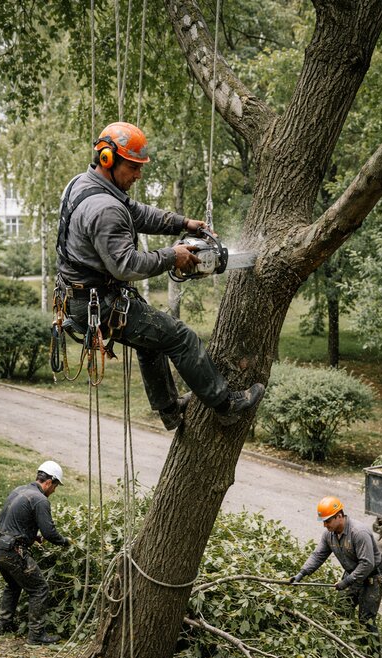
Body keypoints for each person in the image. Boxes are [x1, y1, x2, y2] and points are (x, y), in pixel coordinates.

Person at [56, 120, 264, 430]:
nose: (139, 175)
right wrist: (173, 256)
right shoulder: (104, 209)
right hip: (98, 305)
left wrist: (184, 224)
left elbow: (135, 212)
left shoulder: (83, 184)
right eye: (133, 167)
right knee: (181, 338)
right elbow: (126, 265)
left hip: (82, 299)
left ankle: (169, 410)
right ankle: (226, 405)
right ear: (108, 160)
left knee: (151, 340)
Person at [289, 496, 382, 654]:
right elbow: (318, 556)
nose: (325, 525)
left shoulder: (358, 532)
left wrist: (346, 582)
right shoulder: (329, 535)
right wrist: (301, 574)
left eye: (327, 521)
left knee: (366, 620)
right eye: (323, 521)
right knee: (340, 610)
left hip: (372, 579)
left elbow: (367, 563)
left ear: (339, 516)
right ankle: (347, 649)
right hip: (352, 575)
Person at [0, 461, 70, 645]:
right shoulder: (40, 500)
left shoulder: (19, 490)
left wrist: (32, 536)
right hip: (10, 551)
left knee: (13, 585)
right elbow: (50, 533)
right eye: (55, 486)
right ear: (50, 481)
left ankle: (4, 626)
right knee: (39, 589)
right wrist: (65, 542)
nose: (54, 491)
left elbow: (13, 521)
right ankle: (36, 635)